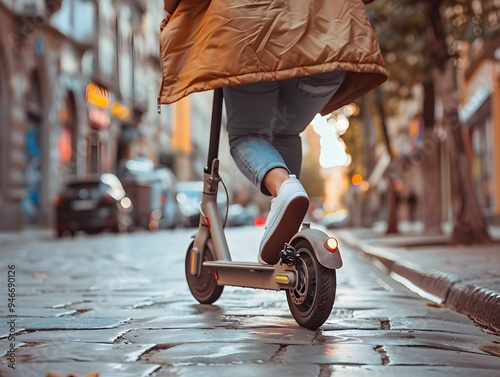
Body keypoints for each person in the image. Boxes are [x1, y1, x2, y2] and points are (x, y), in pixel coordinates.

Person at [158, 0, 387, 264]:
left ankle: (284, 189)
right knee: (287, 131)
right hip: (328, 43)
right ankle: (288, 228)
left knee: (246, 136)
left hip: (251, 38)